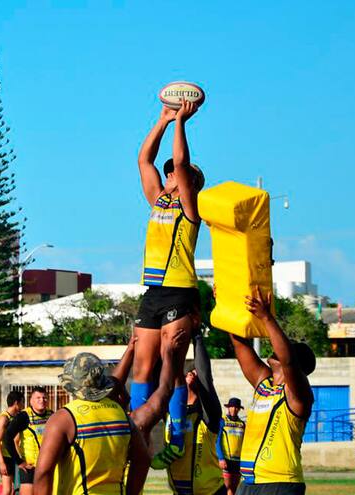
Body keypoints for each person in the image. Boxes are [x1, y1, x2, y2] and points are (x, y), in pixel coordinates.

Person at [133, 98, 205, 468]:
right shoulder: (158, 201)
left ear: (190, 181)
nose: (171, 174)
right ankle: (136, 431)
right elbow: (144, 160)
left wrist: (182, 122)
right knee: (142, 367)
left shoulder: (190, 207)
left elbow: (178, 161)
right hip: (153, 292)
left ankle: (177, 432)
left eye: (177, 173)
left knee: (171, 362)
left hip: (180, 290)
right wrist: (161, 119)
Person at [231, 287, 316, 495]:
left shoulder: (299, 395)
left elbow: (288, 361)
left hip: (280, 483)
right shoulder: (264, 384)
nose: (275, 350)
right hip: (249, 482)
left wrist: (267, 318)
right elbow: (239, 344)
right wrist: (230, 302)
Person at [33, 352, 152, 495]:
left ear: (71, 385)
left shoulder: (63, 419)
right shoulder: (121, 415)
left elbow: (43, 472)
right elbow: (143, 460)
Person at [160, 333, 226, 495]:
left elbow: (205, 379)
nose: (193, 374)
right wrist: (169, 349)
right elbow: (164, 376)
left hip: (210, 492)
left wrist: (196, 337)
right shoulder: (171, 411)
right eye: (190, 372)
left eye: (196, 373)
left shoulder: (208, 416)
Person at [6, 387, 54, 495]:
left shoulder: (52, 415)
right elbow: (7, 437)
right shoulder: (23, 416)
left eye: (44, 398)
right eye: (38, 398)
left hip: (47, 465)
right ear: (31, 400)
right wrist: (19, 461)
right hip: (30, 467)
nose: (42, 400)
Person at [0, 391, 26, 495]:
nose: (24, 405)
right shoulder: (4, 418)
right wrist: (2, 462)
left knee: (15, 489)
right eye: (23, 402)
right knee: (7, 490)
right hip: (6, 457)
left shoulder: (17, 417)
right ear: (16, 403)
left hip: (15, 457)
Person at [217, 398, 245, 495]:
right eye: (232, 407)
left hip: (238, 461)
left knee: (235, 489)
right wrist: (221, 458)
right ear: (228, 408)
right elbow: (217, 441)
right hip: (226, 460)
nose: (234, 409)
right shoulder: (222, 421)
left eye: (236, 408)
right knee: (227, 489)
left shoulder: (242, 424)